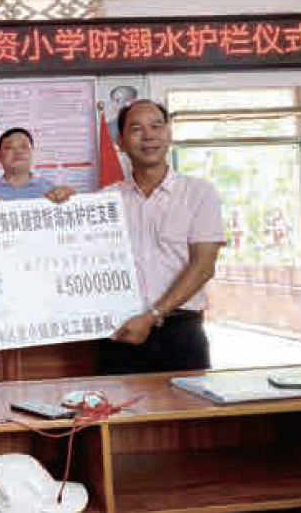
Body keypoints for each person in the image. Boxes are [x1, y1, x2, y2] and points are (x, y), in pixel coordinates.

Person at [97, 100, 226, 375]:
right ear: (120, 142)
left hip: (180, 334)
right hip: (120, 332)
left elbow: (203, 266)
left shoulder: (199, 193)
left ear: (168, 134)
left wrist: (152, 316)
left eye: (156, 126)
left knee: (187, 404)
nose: (148, 136)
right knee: (117, 404)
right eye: (136, 129)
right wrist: (59, 204)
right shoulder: (103, 201)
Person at [0, 127, 56, 201]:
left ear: (32, 153)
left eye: (24, 146)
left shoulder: (52, 191)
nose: (18, 152)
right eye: (9, 147)